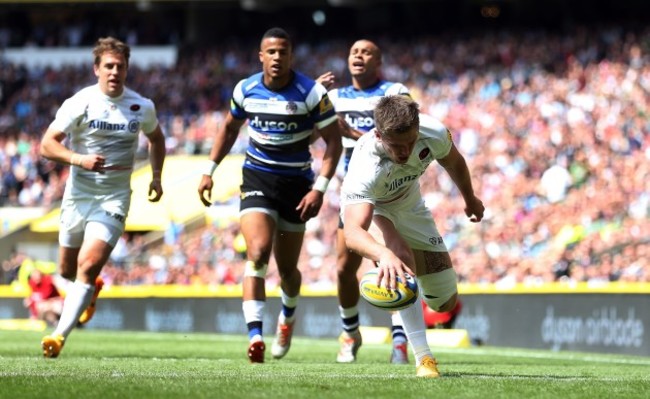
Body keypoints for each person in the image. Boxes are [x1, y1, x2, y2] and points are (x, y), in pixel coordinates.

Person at [198, 27, 342, 363]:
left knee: (288, 271)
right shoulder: (245, 89)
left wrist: (319, 190)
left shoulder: (311, 92)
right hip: (258, 178)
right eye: (271, 52)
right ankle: (255, 336)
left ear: (291, 55)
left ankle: (287, 318)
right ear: (261, 56)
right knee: (258, 252)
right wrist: (209, 170)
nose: (277, 58)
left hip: (297, 185)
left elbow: (333, 142)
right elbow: (229, 128)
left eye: (283, 52)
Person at [39, 36, 166, 358]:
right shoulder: (79, 102)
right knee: (67, 269)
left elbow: (157, 139)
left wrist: (156, 176)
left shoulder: (141, 106)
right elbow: (47, 144)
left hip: (113, 198)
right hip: (77, 196)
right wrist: (79, 159)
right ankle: (90, 291)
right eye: (108, 66)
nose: (114, 71)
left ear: (127, 70)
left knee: (88, 263)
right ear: (96, 69)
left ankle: (58, 337)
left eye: (120, 66)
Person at [340, 95, 484, 377]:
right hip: (377, 209)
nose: (405, 151)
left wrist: (470, 198)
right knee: (400, 260)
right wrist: (384, 253)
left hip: (412, 207)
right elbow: (353, 231)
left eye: (410, 142)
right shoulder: (365, 166)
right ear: (379, 135)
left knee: (444, 302)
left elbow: (454, 162)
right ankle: (424, 359)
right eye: (396, 145)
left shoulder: (434, 132)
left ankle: (405, 270)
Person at [317, 39, 412, 364]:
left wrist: (355, 135)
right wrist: (310, 100)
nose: (358, 55)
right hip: (355, 191)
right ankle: (350, 331)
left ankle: (400, 339)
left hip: (390, 188)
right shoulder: (334, 97)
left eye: (366, 51)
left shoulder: (395, 91)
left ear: (379, 60)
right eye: (354, 51)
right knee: (345, 267)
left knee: (395, 258)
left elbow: (404, 136)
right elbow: (310, 133)